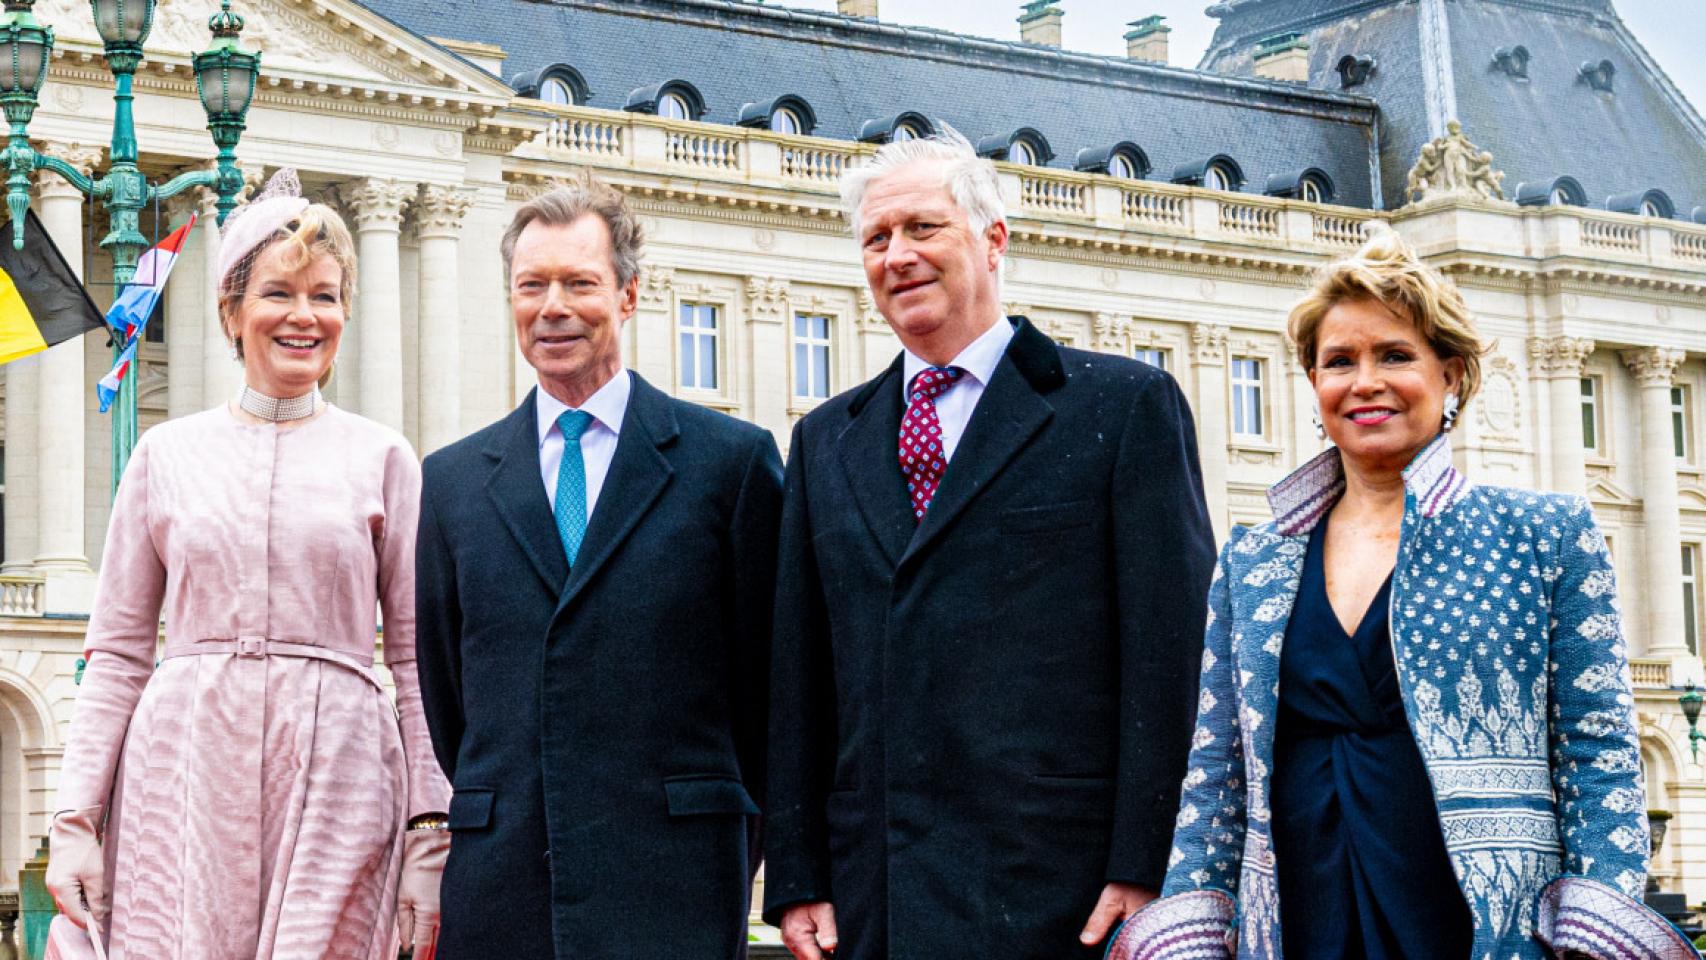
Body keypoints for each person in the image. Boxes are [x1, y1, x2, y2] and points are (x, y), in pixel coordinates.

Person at [1112, 230, 1695, 960]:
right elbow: (1218, 775)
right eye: (1338, 362)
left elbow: (1598, 752)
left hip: (1474, 914)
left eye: (1394, 355)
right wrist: (1194, 924)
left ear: (1450, 375)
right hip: (1298, 904)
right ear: (1314, 384)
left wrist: (1593, 921)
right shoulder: (1254, 560)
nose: (1364, 381)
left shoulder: (1548, 535)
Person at [762, 127, 1216, 960]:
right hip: (879, 894)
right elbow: (800, 677)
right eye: (876, 238)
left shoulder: (1123, 409)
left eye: (923, 228)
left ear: (993, 239)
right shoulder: (826, 440)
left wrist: (1148, 859)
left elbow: (1172, 654)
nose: (897, 255)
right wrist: (797, 875)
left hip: (1060, 888)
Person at [45, 169, 450, 959]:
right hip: (184, 769)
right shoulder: (166, 454)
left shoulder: (385, 458)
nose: (304, 316)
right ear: (232, 312)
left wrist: (427, 835)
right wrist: (74, 824)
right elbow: (120, 656)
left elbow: (414, 662)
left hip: (341, 770)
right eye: (278, 294)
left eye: (326, 296)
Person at [414, 176, 782, 960]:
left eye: (580, 282)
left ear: (629, 296)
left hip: (674, 879)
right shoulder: (449, 484)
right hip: (505, 883)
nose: (553, 307)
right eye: (531, 285)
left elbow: (768, 689)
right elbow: (451, 693)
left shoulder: (733, 465)